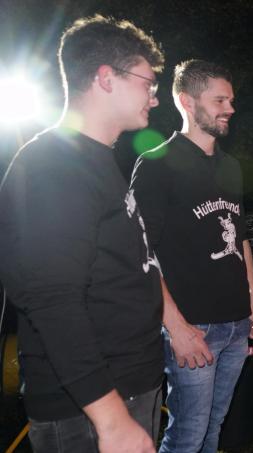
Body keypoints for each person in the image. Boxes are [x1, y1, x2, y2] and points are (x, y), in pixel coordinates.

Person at [0, 15, 164, 453]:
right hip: (89, 410)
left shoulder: (96, 160)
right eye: (147, 82)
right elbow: (53, 300)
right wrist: (111, 420)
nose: (155, 97)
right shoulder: (53, 166)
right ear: (106, 78)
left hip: (126, 386)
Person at [130, 59, 253, 453]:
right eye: (220, 99)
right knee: (187, 435)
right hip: (194, 327)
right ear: (186, 102)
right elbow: (140, 253)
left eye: (232, 100)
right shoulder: (156, 163)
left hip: (237, 324)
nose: (230, 108)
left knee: (214, 427)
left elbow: (240, 242)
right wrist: (176, 327)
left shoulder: (230, 166)